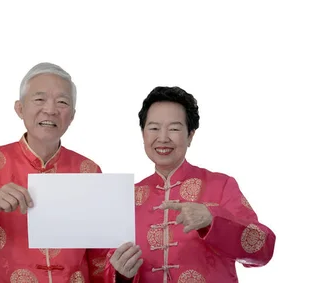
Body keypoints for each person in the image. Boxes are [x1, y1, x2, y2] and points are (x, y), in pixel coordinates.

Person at [0, 62, 109, 283]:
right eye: (39, 99)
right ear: (20, 109)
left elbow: (101, 255)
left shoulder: (89, 171)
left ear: (72, 115)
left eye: (62, 102)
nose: (51, 110)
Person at [103, 86, 276, 283]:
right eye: (153, 128)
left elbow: (263, 248)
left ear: (190, 135)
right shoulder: (127, 197)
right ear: (143, 134)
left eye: (174, 128)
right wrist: (122, 275)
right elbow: (106, 266)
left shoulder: (221, 185)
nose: (163, 138)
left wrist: (213, 220)